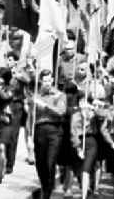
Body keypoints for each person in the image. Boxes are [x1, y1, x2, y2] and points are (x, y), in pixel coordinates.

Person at [32, 69, 66, 199]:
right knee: (40, 163)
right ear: (41, 81)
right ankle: (44, 186)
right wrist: (30, 136)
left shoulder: (59, 95)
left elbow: (61, 112)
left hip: (54, 130)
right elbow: (31, 117)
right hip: (39, 130)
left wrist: (45, 106)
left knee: (50, 162)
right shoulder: (37, 95)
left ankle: (47, 192)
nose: (46, 83)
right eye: (44, 80)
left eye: (48, 80)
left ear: (52, 80)